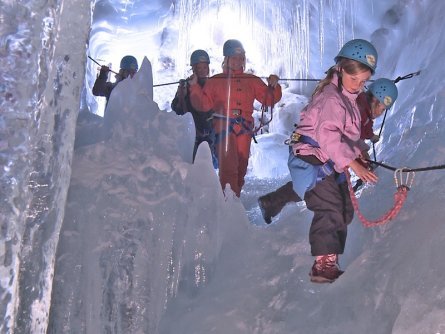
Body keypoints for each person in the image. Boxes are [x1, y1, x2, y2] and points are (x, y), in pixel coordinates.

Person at [283, 39, 380, 283]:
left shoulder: (348, 98)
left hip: (327, 157)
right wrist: (353, 163)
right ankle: (322, 265)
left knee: (344, 210)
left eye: (363, 82)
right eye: (354, 78)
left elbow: (347, 135)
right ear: (340, 69)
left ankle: (331, 256)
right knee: (330, 208)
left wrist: (359, 152)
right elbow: (328, 136)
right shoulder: (331, 98)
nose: (358, 86)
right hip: (312, 156)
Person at [258, 77, 398, 224]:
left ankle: (270, 202)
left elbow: (357, 137)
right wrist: (358, 160)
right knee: (315, 185)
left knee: (310, 183)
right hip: (318, 149)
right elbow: (348, 137)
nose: (380, 113)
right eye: (382, 109)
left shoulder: (362, 108)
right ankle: (271, 203)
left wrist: (362, 153)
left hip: (320, 150)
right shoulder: (359, 110)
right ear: (375, 101)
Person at [188, 39, 282, 197]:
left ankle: (233, 201)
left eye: (241, 58)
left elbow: (269, 100)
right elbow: (203, 104)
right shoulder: (215, 81)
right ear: (226, 59)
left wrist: (274, 85)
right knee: (229, 168)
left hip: (244, 130)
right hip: (224, 129)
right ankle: (228, 204)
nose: (238, 61)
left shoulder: (251, 80)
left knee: (241, 168)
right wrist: (195, 87)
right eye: (234, 57)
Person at [171, 49, 218, 169]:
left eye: (204, 67)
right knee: (193, 164)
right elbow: (176, 108)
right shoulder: (186, 85)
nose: (202, 70)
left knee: (207, 164)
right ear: (193, 69)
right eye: (199, 68)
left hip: (209, 130)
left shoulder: (213, 85)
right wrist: (183, 93)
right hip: (193, 131)